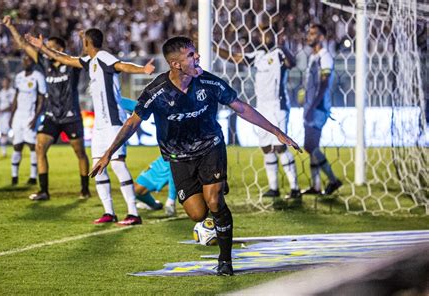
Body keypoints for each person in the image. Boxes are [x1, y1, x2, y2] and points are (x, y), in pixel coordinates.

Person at [89, 36, 301, 275]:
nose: (198, 56)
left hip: (211, 146)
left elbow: (240, 107)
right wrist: (109, 152)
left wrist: (277, 131)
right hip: (179, 157)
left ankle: (225, 260)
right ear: (176, 64)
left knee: (215, 202)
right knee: (197, 213)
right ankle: (214, 191)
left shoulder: (209, 82)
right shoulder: (157, 91)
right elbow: (132, 122)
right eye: (191, 55)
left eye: (196, 53)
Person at [25, 28, 155, 225]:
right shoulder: (90, 61)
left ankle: (133, 213)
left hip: (113, 121)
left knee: (118, 165)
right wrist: (42, 48)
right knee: (97, 167)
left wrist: (142, 70)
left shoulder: (103, 57)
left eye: (83, 41)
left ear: (87, 43)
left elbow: (122, 65)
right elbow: (65, 58)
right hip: (100, 125)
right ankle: (109, 212)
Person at [3, 16, 91, 200]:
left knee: (80, 153)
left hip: (71, 116)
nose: (45, 48)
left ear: (60, 49)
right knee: (40, 147)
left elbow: (86, 56)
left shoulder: (71, 64)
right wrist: (11, 27)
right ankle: (43, 191)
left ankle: (84, 189)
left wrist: (84, 39)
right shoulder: (44, 64)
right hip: (51, 116)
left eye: (50, 46)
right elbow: (23, 45)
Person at [216, 34, 301, 201]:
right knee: (266, 147)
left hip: (278, 105)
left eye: (267, 32)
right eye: (261, 33)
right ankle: (274, 187)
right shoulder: (258, 55)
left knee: (280, 146)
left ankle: (295, 188)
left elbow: (293, 63)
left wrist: (282, 46)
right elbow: (236, 58)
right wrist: (214, 47)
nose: (264, 36)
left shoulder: (278, 53)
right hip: (262, 107)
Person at [299, 24, 342, 196]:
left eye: (313, 34)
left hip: (318, 108)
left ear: (322, 37)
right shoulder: (313, 56)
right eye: (308, 33)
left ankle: (333, 180)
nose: (309, 36)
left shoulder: (325, 57)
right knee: (312, 147)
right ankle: (316, 186)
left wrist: (313, 105)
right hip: (311, 106)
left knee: (309, 146)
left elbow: (324, 84)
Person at [120, 98, 177, 217]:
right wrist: (112, 98)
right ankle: (154, 205)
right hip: (166, 157)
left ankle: (171, 202)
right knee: (135, 190)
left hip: (189, 153)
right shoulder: (161, 104)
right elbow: (137, 105)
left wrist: (171, 199)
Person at [10, 56, 46, 186]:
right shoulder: (19, 76)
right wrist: (11, 115)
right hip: (18, 116)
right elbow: (16, 96)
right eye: (24, 60)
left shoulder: (38, 77)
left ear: (33, 62)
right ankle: (14, 176)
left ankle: (32, 177)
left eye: (28, 60)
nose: (25, 62)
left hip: (30, 115)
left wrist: (36, 117)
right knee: (17, 146)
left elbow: (42, 99)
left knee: (32, 146)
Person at [0, 77, 15, 159]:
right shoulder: (2, 92)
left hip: (9, 115)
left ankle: (6, 153)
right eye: (3, 82)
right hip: (2, 116)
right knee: (3, 134)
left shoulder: (12, 92)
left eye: (6, 82)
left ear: (9, 83)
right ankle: (4, 153)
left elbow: (12, 105)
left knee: (5, 134)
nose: (4, 83)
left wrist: (1, 110)